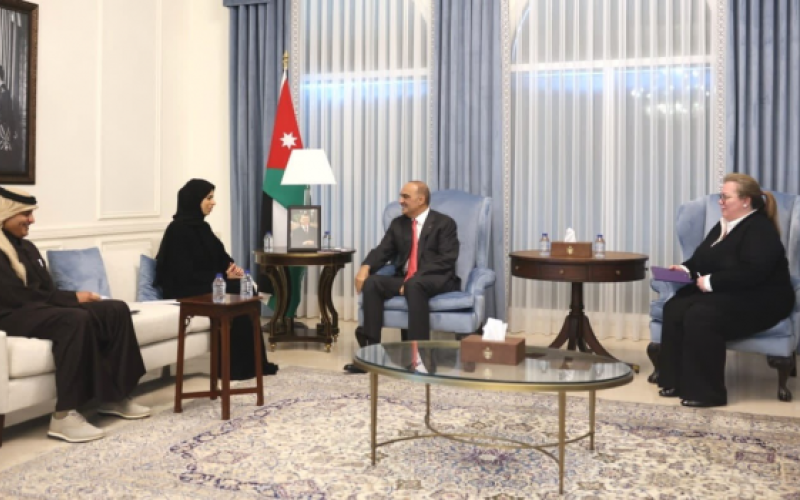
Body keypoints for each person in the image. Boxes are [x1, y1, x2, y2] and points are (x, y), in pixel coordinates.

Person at [0, 187, 150, 443]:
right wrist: (72, 300)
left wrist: (75, 297)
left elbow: (46, 290)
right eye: (25, 214)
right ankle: (64, 416)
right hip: (10, 314)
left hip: (38, 308)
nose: (31, 220)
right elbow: (15, 296)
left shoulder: (28, 247)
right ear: (5, 214)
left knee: (115, 309)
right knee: (74, 319)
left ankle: (114, 397)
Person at [657, 173, 795, 407]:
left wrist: (711, 282)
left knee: (701, 314)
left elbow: (754, 272)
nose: (720, 201)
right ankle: (674, 381)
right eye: (721, 196)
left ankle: (707, 393)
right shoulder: (723, 225)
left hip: (763, 299)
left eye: (725, 197)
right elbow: (701, 259)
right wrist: (684, 269)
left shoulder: (760, 228)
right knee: (675, 306)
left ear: (746, 201)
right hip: (733, 292)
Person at [155, 179, 278, 379]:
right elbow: (182, 274)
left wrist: (231, 268)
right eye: (209, 198)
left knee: (246, 288)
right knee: (237, 291)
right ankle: (234, 368)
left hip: (207, 283)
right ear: (194, 200)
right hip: (185, 289)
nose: (213, 202)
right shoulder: (176, 230)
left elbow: (221, 257)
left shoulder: (203, 228)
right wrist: (221, 277)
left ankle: (252, 364)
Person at [343, 181, 460, 374]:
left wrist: (413, 278)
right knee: (372, 283)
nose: (400, 201)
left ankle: (420, 359)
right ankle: (370, 356)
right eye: (401, 196)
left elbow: (446, 260)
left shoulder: (444, 223)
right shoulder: (399, 224)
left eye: (406, 197)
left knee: (414, 284)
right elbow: (383, 250)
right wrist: (365, 267)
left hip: (437, 278)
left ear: (421, 200)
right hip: (408, 279)